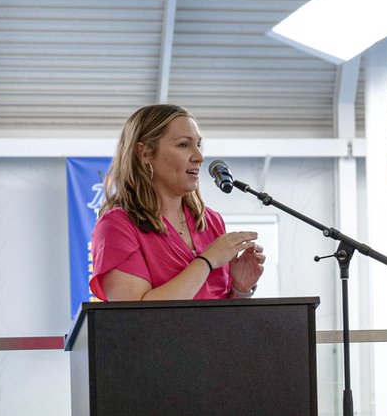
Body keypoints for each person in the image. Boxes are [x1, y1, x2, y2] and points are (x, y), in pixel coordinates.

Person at [90, 104, 265, 301]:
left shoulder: (211, 221)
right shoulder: (116, 227)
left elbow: (222, 317)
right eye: (183, 145)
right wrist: (207, 261)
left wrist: (240, 289)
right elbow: (136, 317)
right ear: (145, 153)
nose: (199, 157)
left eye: (198, 145)